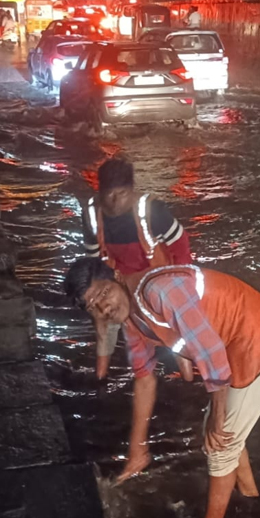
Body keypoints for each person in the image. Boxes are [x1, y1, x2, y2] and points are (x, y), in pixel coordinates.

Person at [64, 257, 260, 518]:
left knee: (220, 445)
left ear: (117, 276)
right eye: (93, 305)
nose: (104, 307)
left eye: (104, 293)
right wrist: (138, 448)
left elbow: (210, 352)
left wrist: (217, 416)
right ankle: (251, 497)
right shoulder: (131, 319)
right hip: (234, 345)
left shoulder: (160, 291)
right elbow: (144, 379)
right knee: (223, 435)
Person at [82, 158, 192, 379]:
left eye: (121, 194)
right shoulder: (91, 214)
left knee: (174, 324)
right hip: (119, 278)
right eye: (108, 194)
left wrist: (184, 286)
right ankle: (101, 375)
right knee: (102, 316)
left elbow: (180, 245)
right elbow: (94, 259)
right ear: (99, 191)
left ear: (132, 190)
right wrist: (99, 294)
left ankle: (187, 370)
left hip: (157, 276)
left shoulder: (153, 210)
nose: (114, 202)